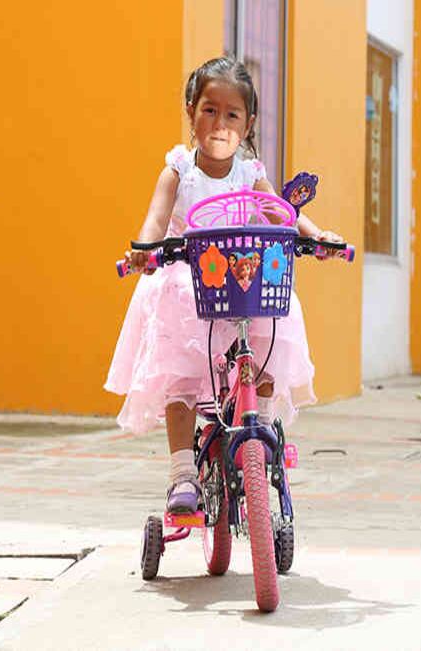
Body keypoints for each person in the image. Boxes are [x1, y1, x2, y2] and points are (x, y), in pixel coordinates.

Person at [104, 57, 343, 515]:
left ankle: (264, 435)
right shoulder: (179, 169)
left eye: (232, 114)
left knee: (271, 337)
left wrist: (317, 237)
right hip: (188, 286)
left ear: (248, 124)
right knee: (180, 379)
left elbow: (282, 214)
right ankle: (182, 475)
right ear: (191, 111)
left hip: (242, 283)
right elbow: (156, 218)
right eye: (209, 110)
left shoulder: (250, 175)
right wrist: (145, 249)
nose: (220, 123)